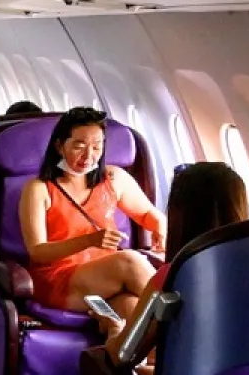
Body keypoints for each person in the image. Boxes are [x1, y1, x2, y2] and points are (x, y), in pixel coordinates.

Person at [18, 107, 165, 322]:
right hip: (60, 278)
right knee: (129, 261)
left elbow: (148, 214)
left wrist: (160, 227)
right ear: (59, 146)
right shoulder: (38, 189)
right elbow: (37, 252)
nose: (89, 156)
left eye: (97, 147)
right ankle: (185, 320)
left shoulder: (113, 178)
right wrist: (89, 240)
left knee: (137, 317)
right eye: (79, 146)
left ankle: (122, 339)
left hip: (107, 279)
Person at [102, 162, 248, 374]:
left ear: (180, 215)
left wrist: (114, 330)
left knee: (103, 365)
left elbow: (123, 355)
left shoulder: (173, 278)